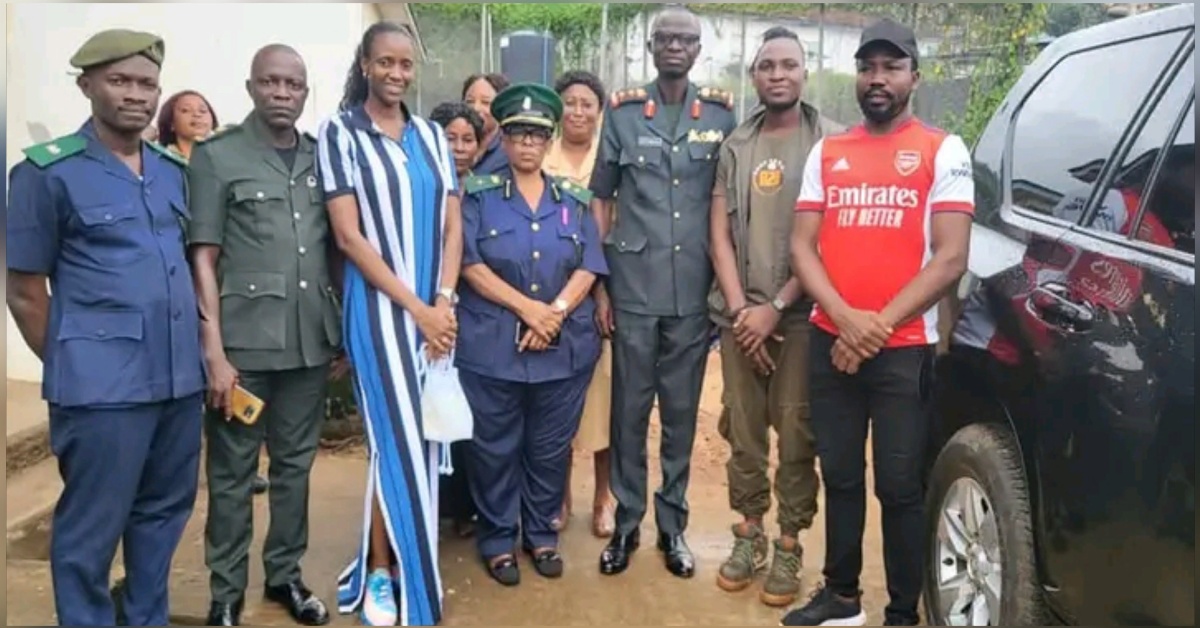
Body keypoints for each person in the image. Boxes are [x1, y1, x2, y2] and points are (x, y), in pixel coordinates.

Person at [6, 29, 205, 626]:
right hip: (101, 394)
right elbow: (23, 291)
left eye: (147, 84)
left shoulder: (171, 171)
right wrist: (76, 365)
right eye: (120, 81)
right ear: (87, 85)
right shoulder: (46, 173)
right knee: (90, 533)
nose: (136, 95)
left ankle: (145, 618)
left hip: (176, 383)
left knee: (162, 517)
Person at [784, 19, 974, 626]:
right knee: (839, 474)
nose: (876, 79)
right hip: (831, 343)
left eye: (891, 67)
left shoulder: (944, 149)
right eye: (867, 67)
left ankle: (901, 610)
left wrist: (874, 329)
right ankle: (841, 596)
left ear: (914, 76)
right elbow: (801, 247)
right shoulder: (828, 152)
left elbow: (950, 258)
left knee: (898, 486)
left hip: (904, 349)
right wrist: (843, 321)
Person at [187, 44, 339, 627]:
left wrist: (338, 333)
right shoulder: (218, 156)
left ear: (305, 93)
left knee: (295, 468)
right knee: (230, 474)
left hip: (306, 344)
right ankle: (225, 592)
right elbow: (204, 255)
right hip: (243, 350)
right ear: (251, 87)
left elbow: (331, 250)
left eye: (293, 85)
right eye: (271, 82)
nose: (282, 93)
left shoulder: (321, 157)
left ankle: (284, 576)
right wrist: (214, 351)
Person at [317, 20, 462, 627]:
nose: (397, 74)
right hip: (380, 315)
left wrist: (446, 298)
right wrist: (420, 308)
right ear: (366, 64)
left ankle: (404, 560)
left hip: (437, 315)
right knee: (391, 443)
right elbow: (349, 237)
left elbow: (454, 224)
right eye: (386, 63)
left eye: (406, 64)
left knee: (423, 443)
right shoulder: (340, 133)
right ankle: (381, 572)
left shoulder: (430, 136)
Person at [588, 4, 738, 579]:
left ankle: (672, 527)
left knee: (679, 415)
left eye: (686, 39)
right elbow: (601, 197)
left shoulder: (721, 116)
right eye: (665, 39)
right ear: (651, 48)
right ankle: (626, 525)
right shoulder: (623, 114)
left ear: (699, 50)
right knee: (628, 412)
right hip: (632, 290)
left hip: (692, 295)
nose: (675, 47)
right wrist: (600, 283)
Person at [708, 26, 840, 609]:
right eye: (767, 66)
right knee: (742, 430)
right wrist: (742, 312)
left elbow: (830, 236)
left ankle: (789, 542)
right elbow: (718, 229)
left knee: (796, 431)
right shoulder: (736, 142)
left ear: (804, 71)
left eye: (788, 64)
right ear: (754, 75)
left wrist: (777, 308)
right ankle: (749, 534)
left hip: (803, 318)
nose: (778, 74)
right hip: (739, 317)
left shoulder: (830, 144)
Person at [456, 82, 608, 586]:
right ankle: (499, 538)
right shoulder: (476, 197)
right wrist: (530, 310)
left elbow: (589, 264)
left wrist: (555, 314)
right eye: (517, 133)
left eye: (537, 135)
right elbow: (469, 264)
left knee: (548, 447)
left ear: (549, 142)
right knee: (495, 445)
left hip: (562, 350)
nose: (526, 144)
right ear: (504, 139)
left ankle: (541, 534)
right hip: (493, 347)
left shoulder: (573, 199)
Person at [542, 69, 616, 538]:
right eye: (569, 101)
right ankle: (560, 497)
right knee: (556, 406)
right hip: (547, 296)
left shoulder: (609, 159)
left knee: (603, 402)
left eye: (588, 103)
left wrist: (603, 293)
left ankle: (603, 497)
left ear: (600, 110)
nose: (578, 111)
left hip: (600, 297)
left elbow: (611, 231)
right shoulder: (538, 154)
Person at [428, 100, 486, 540]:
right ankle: (433, 501)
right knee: (432, 406)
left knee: (468, 411)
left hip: (478, 316)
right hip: (431, 311)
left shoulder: (485, 192)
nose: (459, 147)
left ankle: (467, 507)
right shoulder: (424, 187)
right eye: (451, 138)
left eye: (469, 139)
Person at [463, 73, 511, 174]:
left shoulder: (510, 152)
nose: (476, 108)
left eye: (485, 102)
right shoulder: (451, 147)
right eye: (469, 101)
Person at [156, 89, 218, 160]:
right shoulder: (161, 160)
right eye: (186, 110)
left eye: (202, 111)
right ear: (171, 123)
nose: (197, 114)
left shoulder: (224, 158)